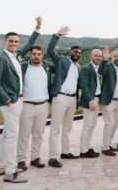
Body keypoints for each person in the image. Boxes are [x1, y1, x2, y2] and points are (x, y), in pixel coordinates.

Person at [0, 17, 42, 183]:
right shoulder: (1, 58)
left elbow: (28, 45)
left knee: (6, 135)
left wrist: (37, 28)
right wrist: (8, 100)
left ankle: (1, 166)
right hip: (10, 103)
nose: (14, 43)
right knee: (12, 136)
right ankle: (10, 172)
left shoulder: (16, 55)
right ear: (5, 42)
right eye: (11, 41)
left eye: (16, 41)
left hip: (17, 101)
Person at [47, 26, 82, 168]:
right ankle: (52, 157)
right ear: (70, 52)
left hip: (73, 100)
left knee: (67, 128)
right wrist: (56, 35)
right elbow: (50, 51)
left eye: (79, 52)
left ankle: (65, 151)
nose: (77, 54)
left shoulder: (78, 66)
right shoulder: (62, 60)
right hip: (60, 98)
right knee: (56, 128)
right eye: (75, 51)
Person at [16, 46, 51, 171]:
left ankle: (35, 158)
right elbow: (6, 75)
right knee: (24, 135)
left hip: (43, 105)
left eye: (39, 54)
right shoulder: (23, 67)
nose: (36, 56)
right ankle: (20, 160)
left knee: (38, 134)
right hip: (27, 105)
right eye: (34, 54)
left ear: (42, 55)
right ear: (30, 55)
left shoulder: (46, 66)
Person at [79, 48, 110, 158]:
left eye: (100, 56)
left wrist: (106, 60)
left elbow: (103, 73)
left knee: (92, 125)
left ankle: (87, 147)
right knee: (87, 125)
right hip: (90, 100)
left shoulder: (99, 68)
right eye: (96, 56)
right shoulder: (86, 69)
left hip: (97, 99)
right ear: (91, 57)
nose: (98, 58)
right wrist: (91, 100)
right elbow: (84, 86)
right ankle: (83, 150)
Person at [98, 49, 118, 155]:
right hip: (108, 100)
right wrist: (105, 60)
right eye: (115, 56)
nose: (117, 58)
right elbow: (101, 71)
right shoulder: (108, 66)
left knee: (116, 123)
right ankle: (105, 148)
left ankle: (107, 144)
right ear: (112, 57)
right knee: (110, 123)